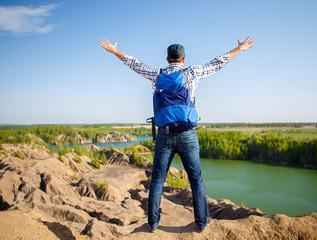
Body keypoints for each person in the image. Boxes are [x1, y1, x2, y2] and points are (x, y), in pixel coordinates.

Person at [100, 37, 255, 233]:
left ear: (167, 59)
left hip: (164, 136)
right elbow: (218, 62)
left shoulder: (157, 74)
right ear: (183, 59)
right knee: (196, 181)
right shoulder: (192, 72)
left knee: (157, 180)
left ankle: (153, 224)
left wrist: (115, 51)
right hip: (187, 134)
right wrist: (240, 48)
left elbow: (134, 63)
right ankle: (201, 222)